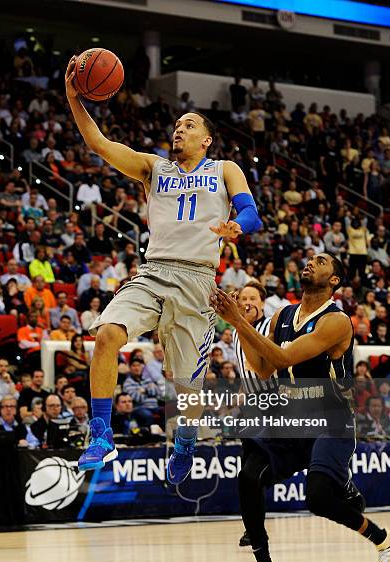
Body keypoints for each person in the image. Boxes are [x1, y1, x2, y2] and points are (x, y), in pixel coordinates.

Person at [65, 57, 262, 477]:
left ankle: (186, 442)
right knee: (106, 337)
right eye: (177, 125)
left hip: (198, 281)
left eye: (189, 125)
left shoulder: (225, 168)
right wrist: (73, 98)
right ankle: (100, 434)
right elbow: (99, 143)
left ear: (207, 139)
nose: (179, 129)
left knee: (187, 388)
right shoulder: (154, 168)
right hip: (154, 271)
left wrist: (235, 227)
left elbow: (251, 213)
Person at [212, 253, 390, 562]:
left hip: (330, 418)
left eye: (320, 262)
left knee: (317, 496)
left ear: (334, 280)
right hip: (291, 418)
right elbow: (262, 369)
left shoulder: (337, 321)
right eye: (309, 260)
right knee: (248, 476)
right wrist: (239, 324)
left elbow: (285, 358)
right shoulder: (283, 316)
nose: (310, 263)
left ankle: (385, 542)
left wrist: (236, 323)